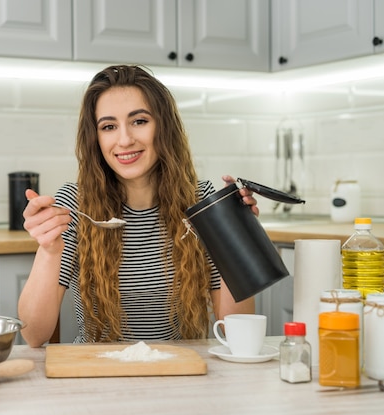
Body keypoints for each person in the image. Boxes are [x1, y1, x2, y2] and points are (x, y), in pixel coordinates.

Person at [18, 64, 257, 347]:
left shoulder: (201, 201)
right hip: (99, 373)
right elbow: (34, 335)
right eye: (108, 126)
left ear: (163, 127)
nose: (124, 140)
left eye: (139, 121)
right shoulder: (75, 204)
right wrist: (49, 251)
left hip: (179, 371)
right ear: (96, 139)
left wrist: (237, 238)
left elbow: (234, 330)